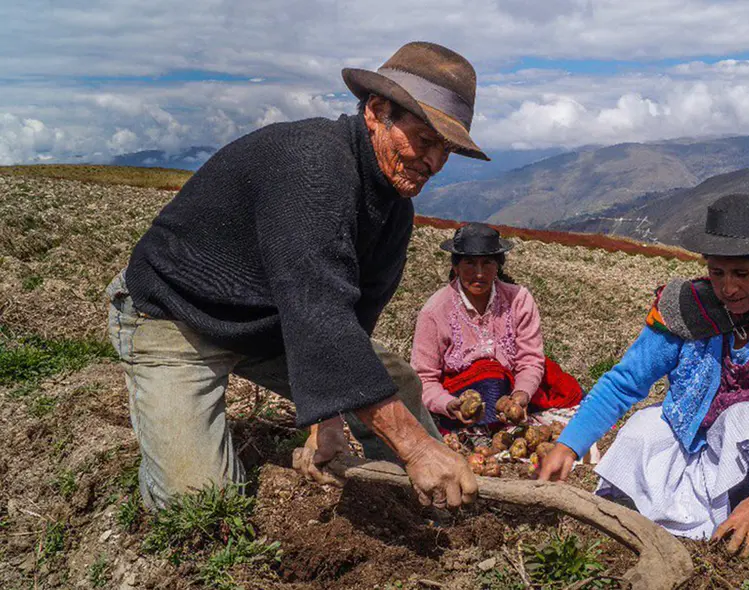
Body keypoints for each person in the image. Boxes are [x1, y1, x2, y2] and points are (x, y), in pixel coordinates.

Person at [106, 42, 488, 512]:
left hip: (272, 323)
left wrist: (326, 417)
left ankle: (422, 506)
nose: (433, 163)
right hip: (175, 317)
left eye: (444, 149)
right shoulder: (311, 166)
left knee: (397, 382)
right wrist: (417, 447)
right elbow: (320, 318)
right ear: (376, 111)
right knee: (199, 504)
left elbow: (350, 322)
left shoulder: (393, 212)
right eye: (424, 141)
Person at [538, 193, 749, 558]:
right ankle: (701, 512)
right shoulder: (689, 311)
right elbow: (626, 381)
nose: (728, 289)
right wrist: (569, 444)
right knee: (647, 426)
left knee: (746, 415)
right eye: (717, 273)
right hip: (712, 447)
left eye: (742, 274)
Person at [410, 223, 582, 431]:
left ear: (498, 265)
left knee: (560, 382)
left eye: (487, 263)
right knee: (489, 375)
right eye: (470, 263)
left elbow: (530, 360)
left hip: (511, 387)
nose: (480, 273)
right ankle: (483, 423)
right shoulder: (435, 311)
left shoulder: (519, 300)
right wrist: (448, 404)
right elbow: (423, 378)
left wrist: (521, 395)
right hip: (461, 395)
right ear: (455, 266)